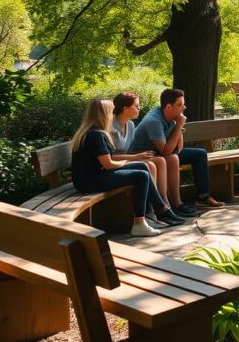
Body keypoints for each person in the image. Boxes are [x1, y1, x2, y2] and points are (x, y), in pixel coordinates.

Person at [70, 98, 185, 237]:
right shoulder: (95, 135)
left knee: (143, 167)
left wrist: (133, 161)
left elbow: (107, 162)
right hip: (89, 181)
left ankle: (158, 211)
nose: (113, 115)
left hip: (95, 175)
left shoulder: (93, 131)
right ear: (104, 114)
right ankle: (140, 222)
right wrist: (127, 163)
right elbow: (108, 164)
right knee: (140, 175)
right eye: (111, 112)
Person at [129, 88, 224, 217]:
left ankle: (202, 198)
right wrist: (179, 126)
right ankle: (172, 205)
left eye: (183, 104)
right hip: (142, 154)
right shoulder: (154, 121)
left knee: (199, 154)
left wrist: (177, 126)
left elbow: (178, 149)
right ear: (169, 107)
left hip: (159, 152)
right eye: (180, 105)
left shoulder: (172, 117)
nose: (183, 108)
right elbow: (166, 151)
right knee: (172, 158)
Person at [111, 92, 182, 225]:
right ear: (125, 109)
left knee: (160, 161)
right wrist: (137, 157)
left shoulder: (130, 125)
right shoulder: (111, 127)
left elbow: (177, 149)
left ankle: (165, 206)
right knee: (149, 165)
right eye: (136, 106)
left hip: (128, 159)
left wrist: (178, 125)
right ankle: (155, 212)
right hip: (115, 163)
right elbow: (109, 157)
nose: (139, 108)